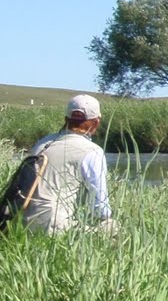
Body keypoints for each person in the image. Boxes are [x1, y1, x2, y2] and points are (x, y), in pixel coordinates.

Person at [22, 93, 117, 235]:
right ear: (96, 122)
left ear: (66, 119)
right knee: (112, 226)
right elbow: (101, 209)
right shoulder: (92, 151)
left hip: (20, 222)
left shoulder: (42, 143)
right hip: (53, 228)